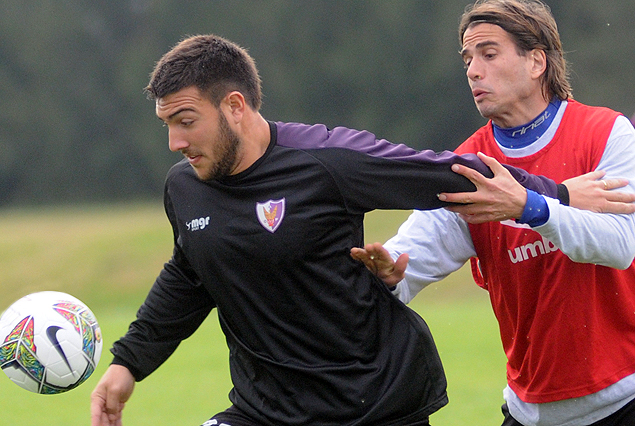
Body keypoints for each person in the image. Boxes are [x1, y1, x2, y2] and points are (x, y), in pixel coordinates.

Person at [88, 34, 596, 426]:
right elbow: (191, 273)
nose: (175, 141)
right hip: (264, 410)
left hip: (372, 404)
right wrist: (128, 363)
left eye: (186, 120)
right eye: (166, 125)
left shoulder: (327, 161)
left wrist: (561, 197)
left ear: (236, 107)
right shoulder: (185, 188)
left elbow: (442, 173)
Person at [352, 1, 635, 425]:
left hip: (623, 399)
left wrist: (531, 207)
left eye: (488, 53)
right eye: (468, 58)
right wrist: (392, 275)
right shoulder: (468, 164)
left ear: (537, 61)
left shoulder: (606, 132)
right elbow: (413, 259)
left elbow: (620, 245)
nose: (472, 71)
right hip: (528, 411)